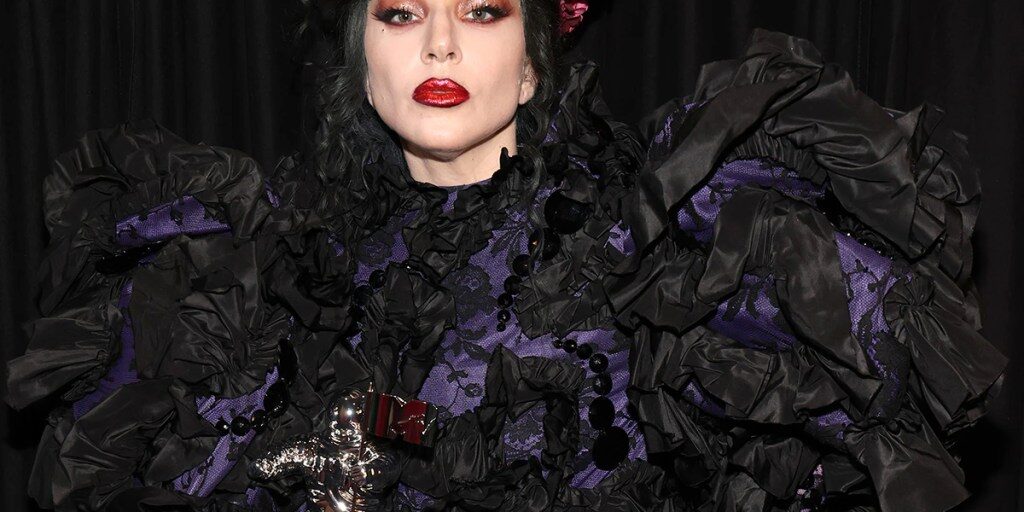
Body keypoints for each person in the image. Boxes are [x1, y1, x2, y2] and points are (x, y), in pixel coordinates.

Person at [4, 0, 1006, 510]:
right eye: (401, 12)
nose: (439, 44)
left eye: (481, 8)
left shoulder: (664, 248)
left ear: (533, 63)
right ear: (362, 59)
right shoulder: (259, 270)